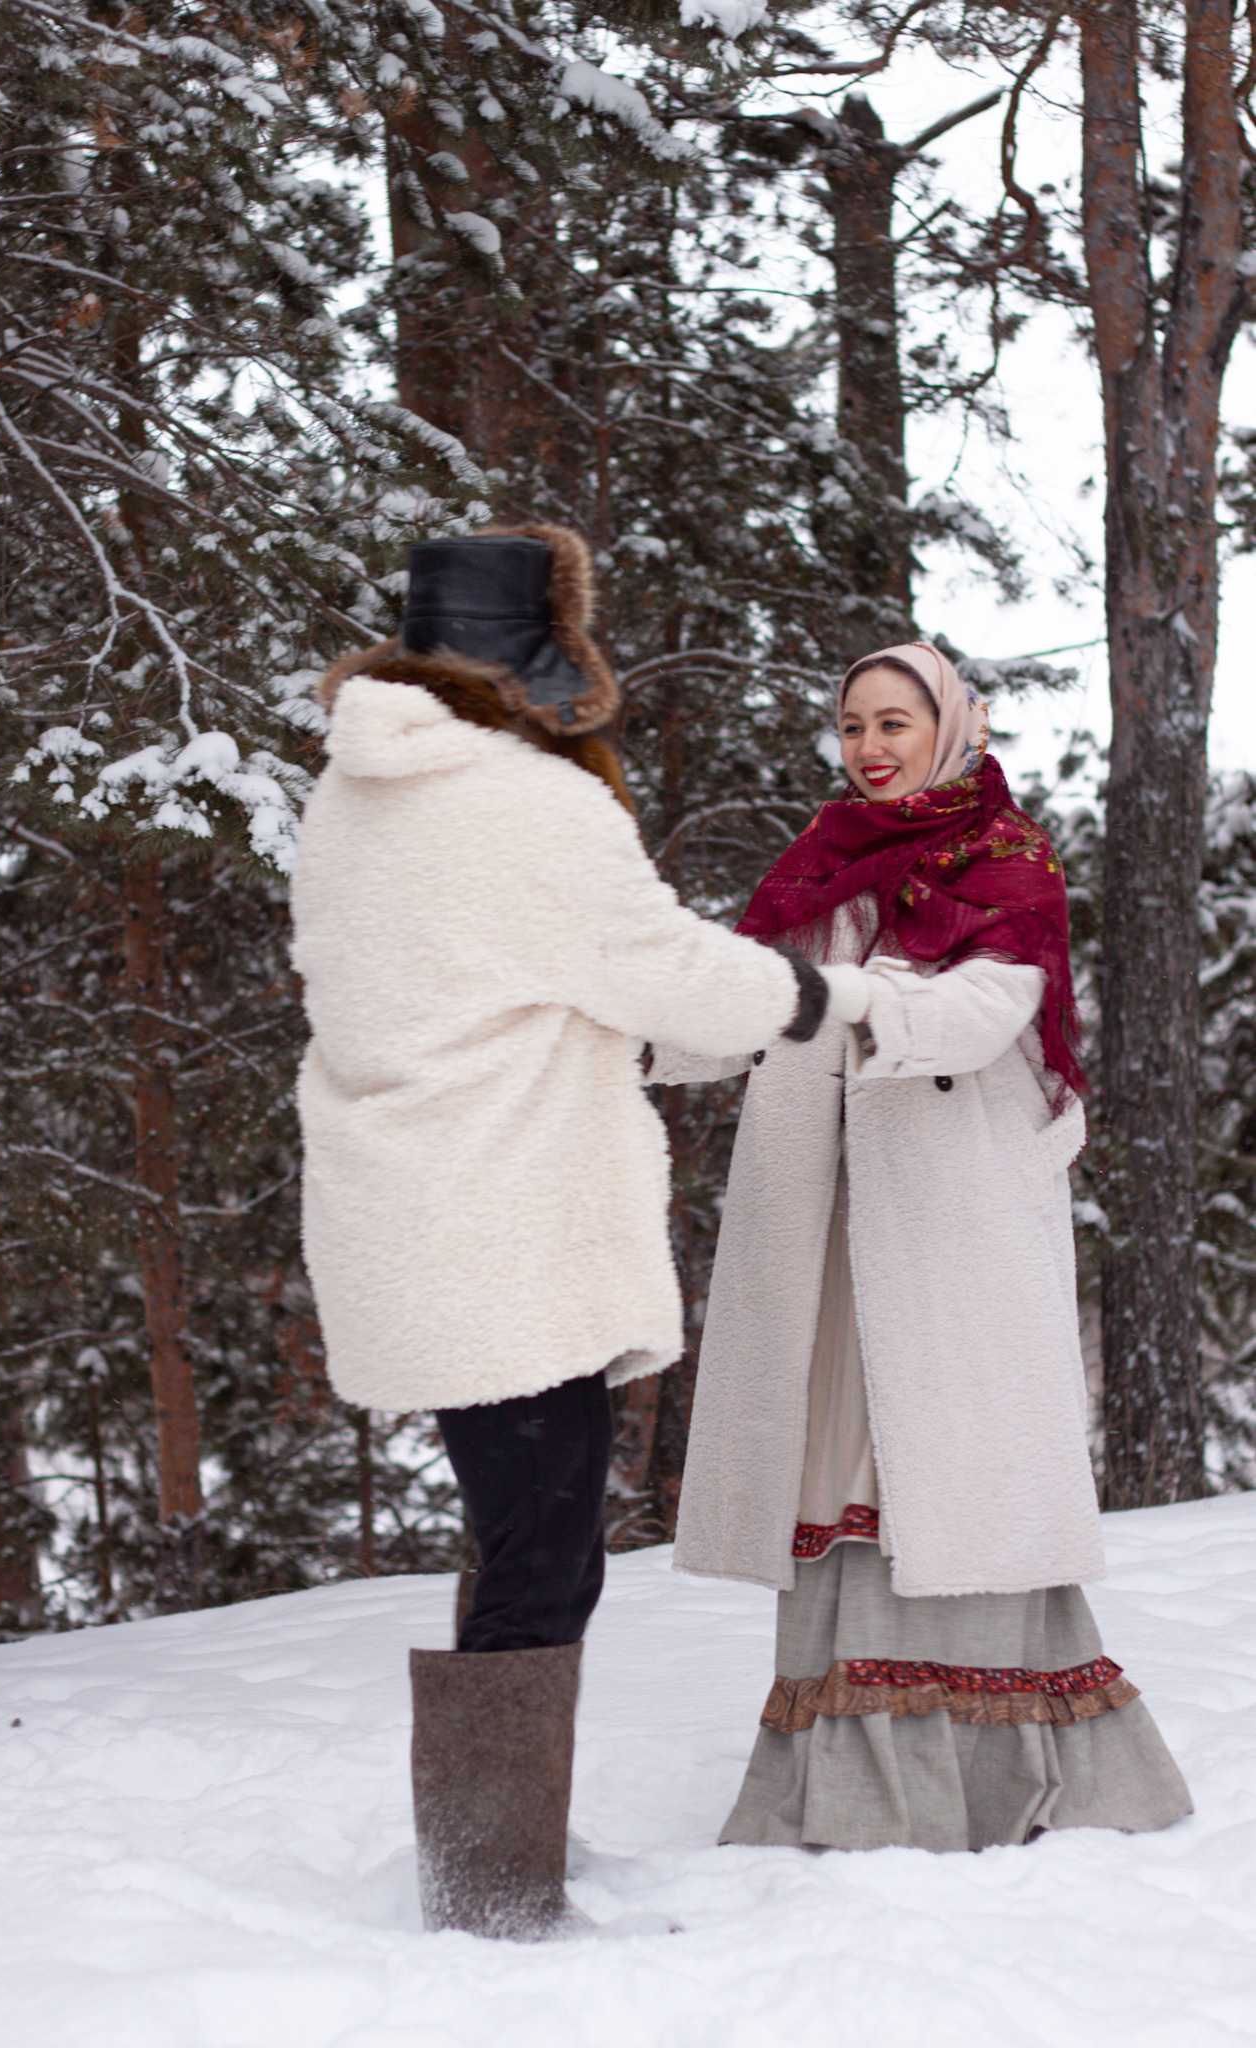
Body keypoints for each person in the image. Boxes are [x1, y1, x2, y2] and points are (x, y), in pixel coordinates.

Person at [290, 524, 828, 1937]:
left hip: (416, 1208)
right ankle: (488, 1886)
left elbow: (472, 988)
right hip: (505, 1222)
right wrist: (805, 1000)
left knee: (519, 1529)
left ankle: (499, 1841)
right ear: (540, 658)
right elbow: (661, 971)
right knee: (542, 1546)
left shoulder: (354, 795)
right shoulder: (527, 804)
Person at [653, 640, 1192, 1853]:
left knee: (954, 1483)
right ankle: (848, 1790)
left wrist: (827, 1001)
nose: (871, 746)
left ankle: (990, 1781)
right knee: (848, 1470)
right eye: (852, 724)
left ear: (953, 728)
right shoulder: (824, 872)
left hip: (951, 1234)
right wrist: (622, 1029)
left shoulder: (1007, 864)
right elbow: (744, 1005)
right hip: (829, 1239)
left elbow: (975, 1011)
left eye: (896, 721)